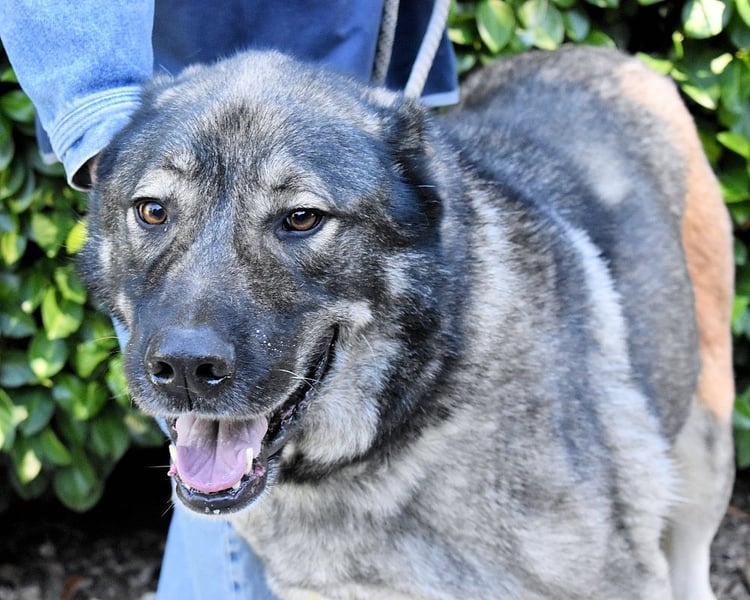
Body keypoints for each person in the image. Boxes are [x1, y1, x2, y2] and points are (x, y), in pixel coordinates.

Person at [0, 2, 458, 598]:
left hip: (357, 67)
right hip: (167, 70)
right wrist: (106, 120)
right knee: (231, 512)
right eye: (155, 211)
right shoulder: (143, 131)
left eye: (299, 218)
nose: (189, 346)